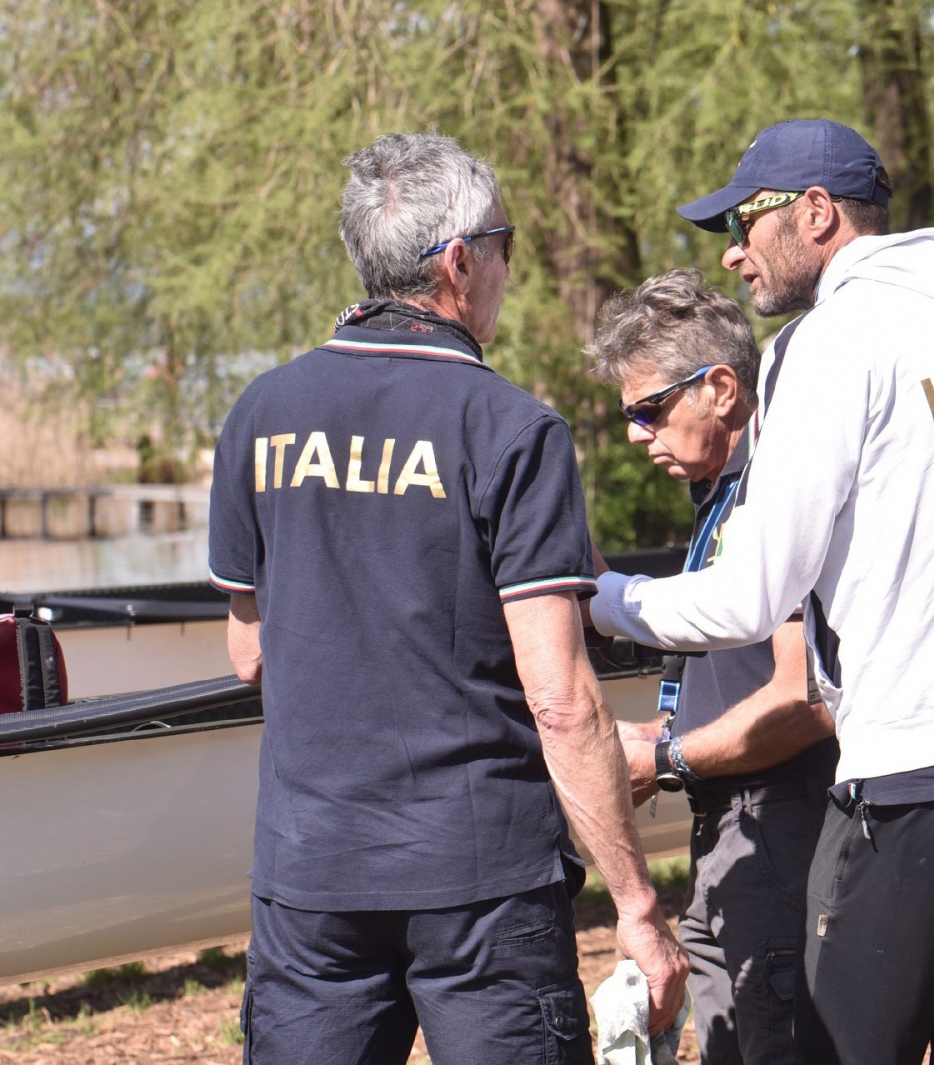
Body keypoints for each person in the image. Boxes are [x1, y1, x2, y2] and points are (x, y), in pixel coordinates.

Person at [589, 118, 934, 1065]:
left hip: (917, 778)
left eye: (745, 221)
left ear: (815, 213)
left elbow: (747, 600)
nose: (736, 251)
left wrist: (601, 596)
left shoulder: (827, 346)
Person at [206, 132, 686, 1064]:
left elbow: (251, 652)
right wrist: (635, 903)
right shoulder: (513, 431)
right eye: (506, 245)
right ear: (459, 263)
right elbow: (560, 697)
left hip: (313, 876)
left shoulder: (259, 413)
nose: (511, 268)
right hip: (483, 881)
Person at [587, 268, 839, 1065]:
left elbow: (806, 697)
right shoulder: (719, 492)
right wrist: (660, 731)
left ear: (722, 388)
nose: (636, 432)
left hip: (784, 827)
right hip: (727, 830)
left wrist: (663, 757)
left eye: (649, 409)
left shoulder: (776, 490)